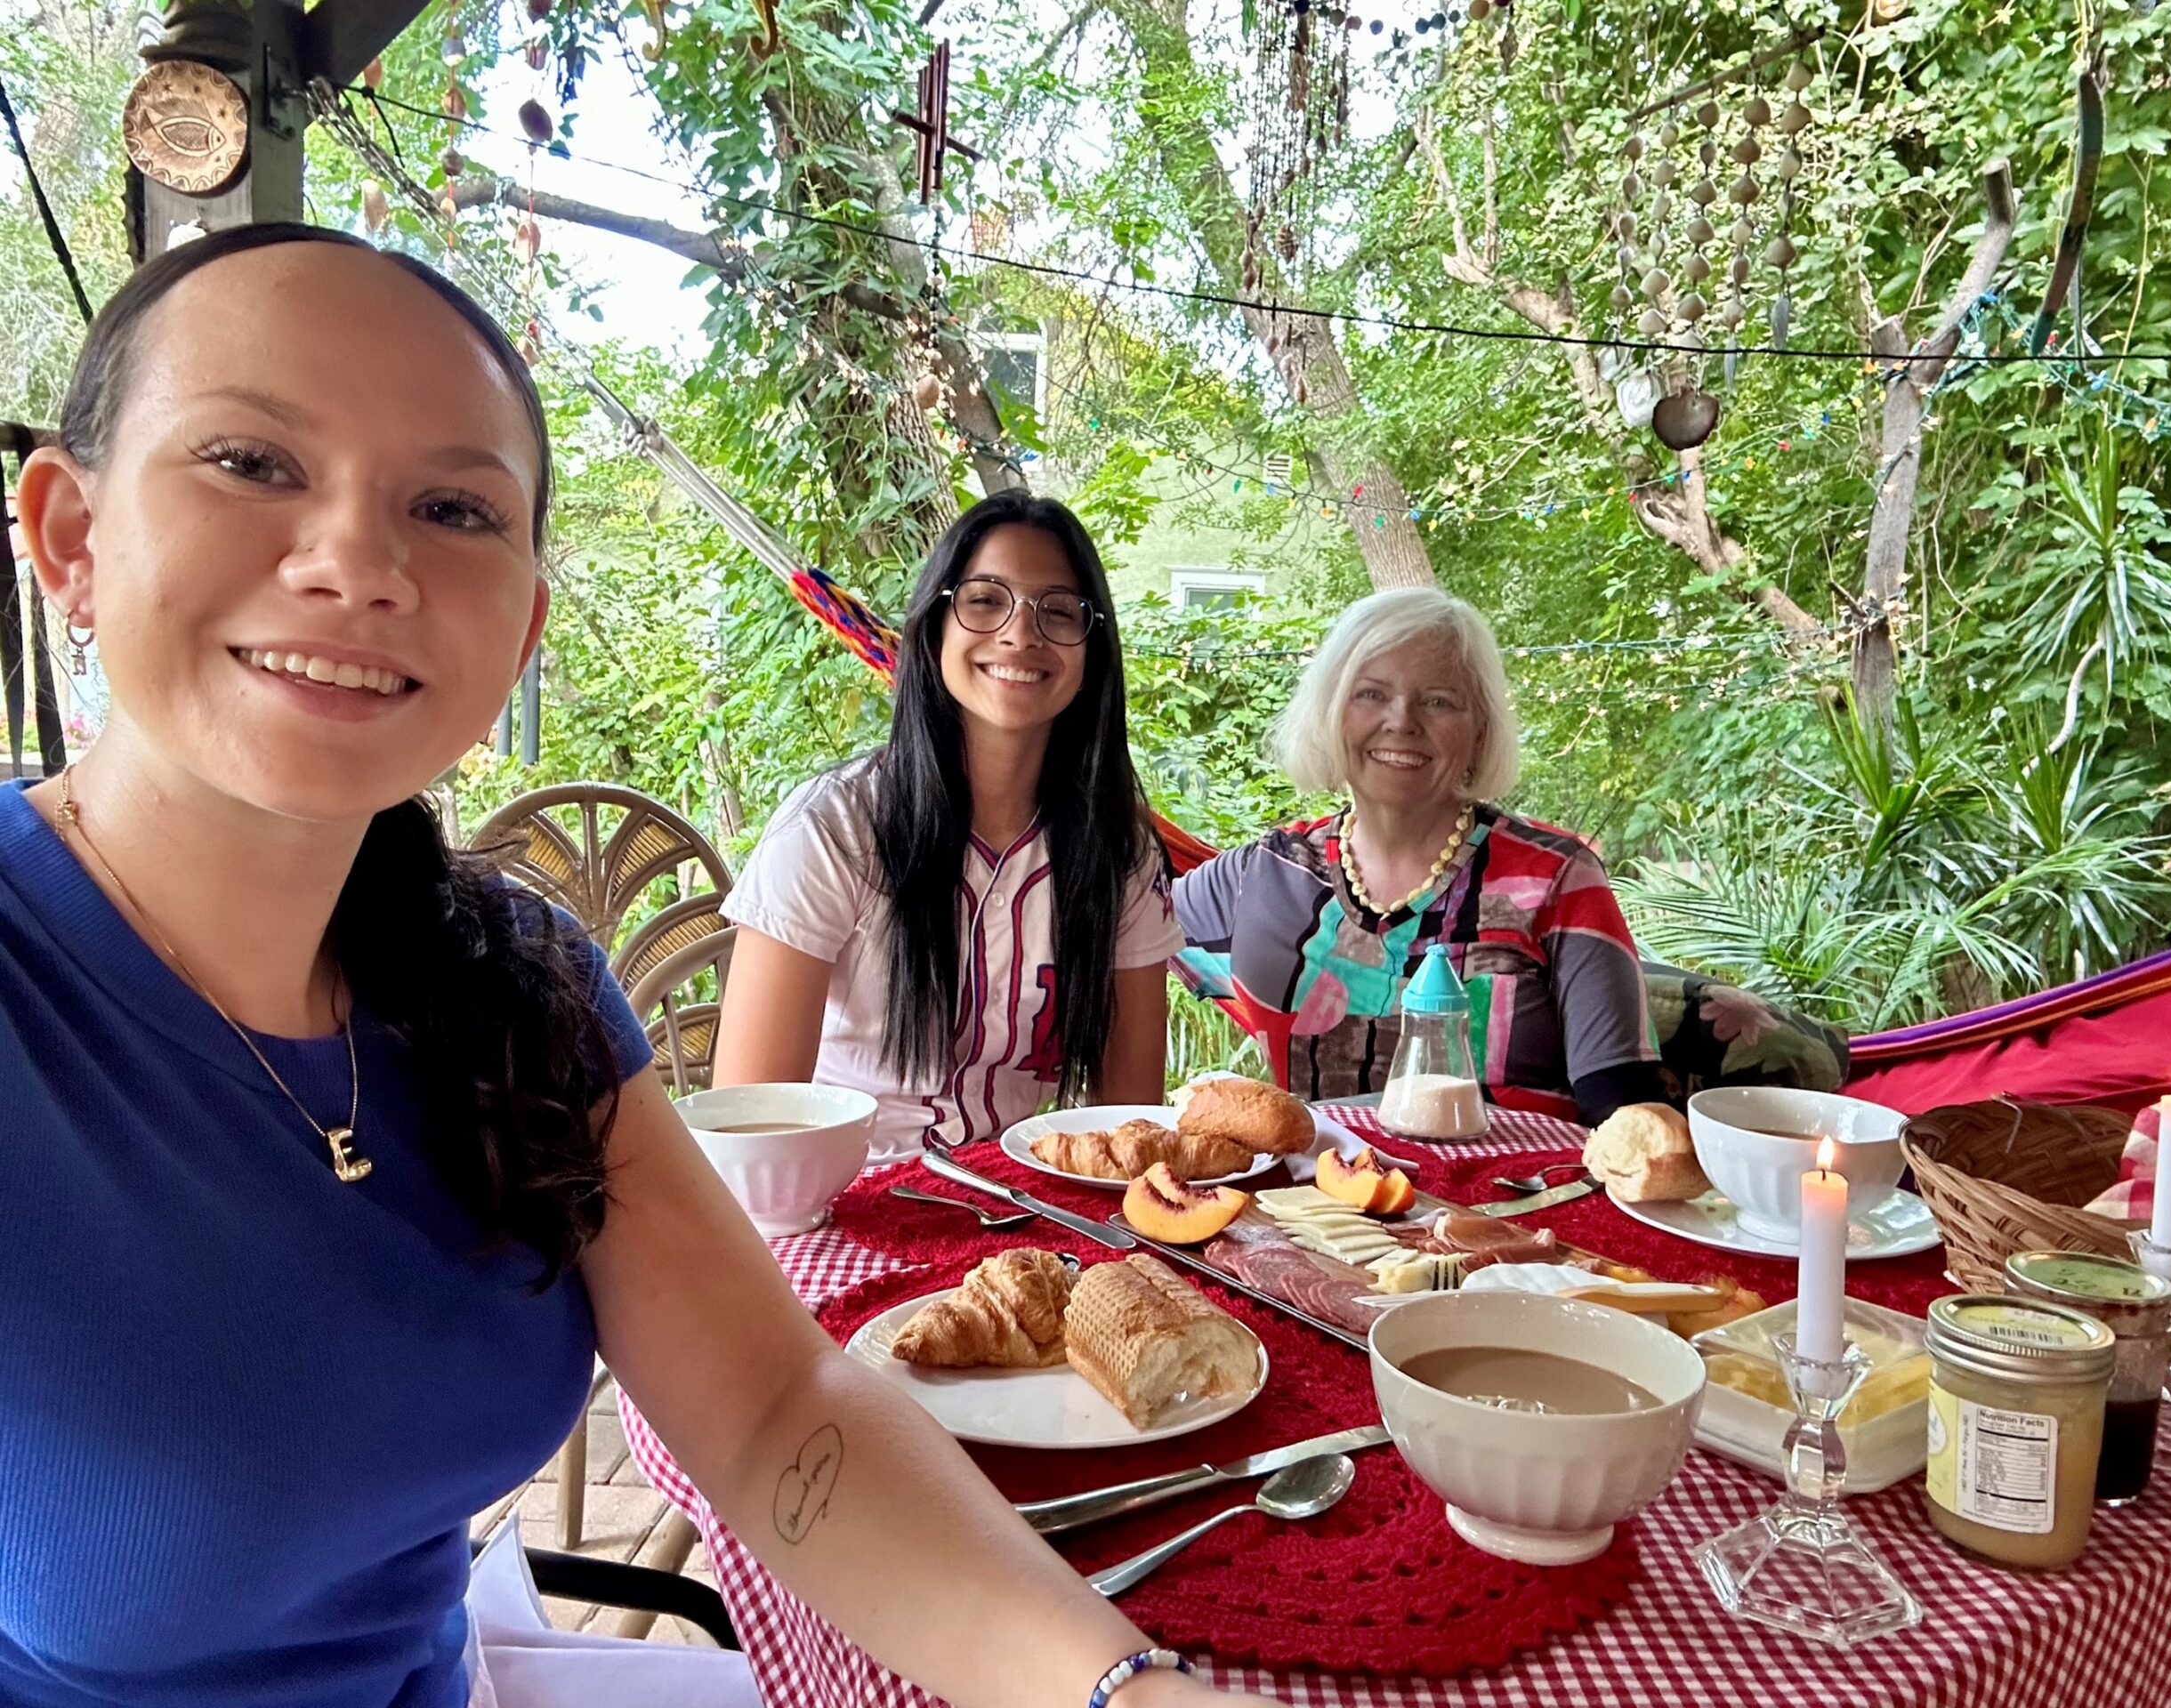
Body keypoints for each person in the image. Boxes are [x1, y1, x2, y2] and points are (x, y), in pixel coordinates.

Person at [0, 222, 1271, 1708]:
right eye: (253, 462)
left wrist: (1122, 1691)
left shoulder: (510, 985)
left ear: (523, 624)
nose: (354, 561)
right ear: (69, 537)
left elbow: (773, 1410)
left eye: (452, 507)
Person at [711, 491, 1180, 1158]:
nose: (1021, 634)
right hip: (843, 1205)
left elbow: (1128, 1128)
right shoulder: (835, 829)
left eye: (1057, 611)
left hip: (1028, 1207)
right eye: (986, 601)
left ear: (1091, 650)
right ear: (934, 629)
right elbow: (751, 1130)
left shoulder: (1118, 850)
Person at [1174, 586, 1683, 1131]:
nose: (1402, 721)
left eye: (1439, 700)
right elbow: (1110, 935)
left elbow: (1625, 1116)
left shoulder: (1557, 878)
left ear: (1480, 730)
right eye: (1370, 694)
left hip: (1518, 1204)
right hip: (1311, 1207)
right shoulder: (1271, 871)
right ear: (1329, 713)